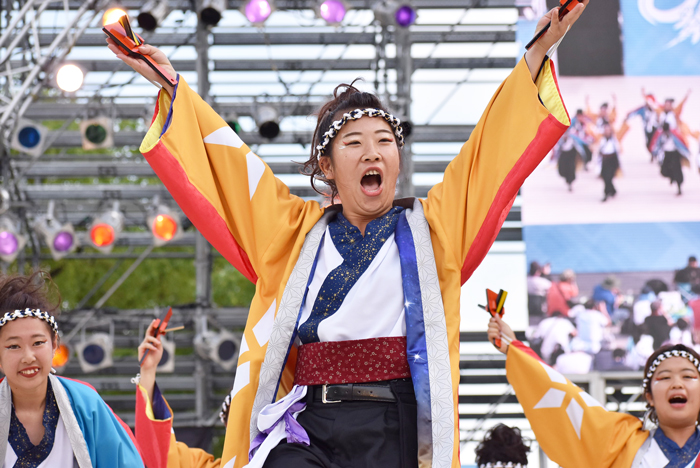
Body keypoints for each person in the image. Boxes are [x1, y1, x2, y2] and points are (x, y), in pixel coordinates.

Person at [106, 2, 588, 466]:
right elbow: (229, 165)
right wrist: (170, 84)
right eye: (354, 143)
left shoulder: (433, 230)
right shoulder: (292, 231)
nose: (372, 153)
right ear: (327, 166)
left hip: (393, 422)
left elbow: (489, 155)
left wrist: (537, 54)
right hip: (309, 421)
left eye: (384, 143)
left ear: (398, 161)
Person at [489, 315, 700, 467]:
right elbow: (565, 399)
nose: (676, 384)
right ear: (649, 397)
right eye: (664, 377)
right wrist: (512, 348)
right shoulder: (618, 442)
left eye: (688, 376)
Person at [0, 271, 144, 467]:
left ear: (54, 345)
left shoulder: (86, 405)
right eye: (13, 346)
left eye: (38, 342)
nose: (28, 357)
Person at [653, 123, 690, 196]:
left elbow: (680, 143)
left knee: (677, 171)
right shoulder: (661, 136)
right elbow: (658, 145)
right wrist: (655, 153)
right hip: (667, 154)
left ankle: (679, 188)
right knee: (664, 170)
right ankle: (672, 177)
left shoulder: (673, 135)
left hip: (675, 154)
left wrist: (686, 152)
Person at [597, 123, 623, 202]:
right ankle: (612, 190)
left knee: (609, 177)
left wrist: (618, 164)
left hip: (612, 160)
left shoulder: (614, 140)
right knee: (605, 177)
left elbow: (618, 151)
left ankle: (606, 193)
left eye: (608, 130)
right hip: (605, 161)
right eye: (606, 130)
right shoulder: (602, 140)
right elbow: (599, 152)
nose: (607, 132)